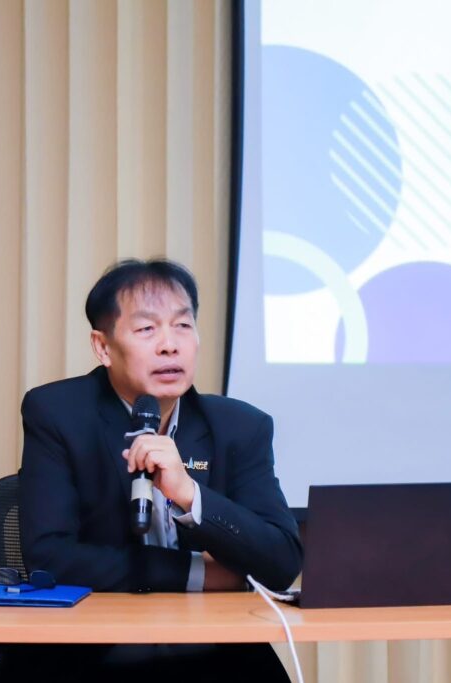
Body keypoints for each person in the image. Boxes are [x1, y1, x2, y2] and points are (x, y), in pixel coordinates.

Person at [15, 258, 302, 681]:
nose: (170, 345)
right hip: (96, 652)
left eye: (183, 325)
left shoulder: (240, 427)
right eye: (147, 329)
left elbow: (281, 561)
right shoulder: (58, 414)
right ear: (103, 347)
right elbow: (50, 558)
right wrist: (196, 573)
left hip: (216, 651)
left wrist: (191, 496)